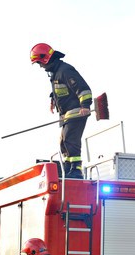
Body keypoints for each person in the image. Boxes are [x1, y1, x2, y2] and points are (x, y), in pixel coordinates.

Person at [30, 43, 92, 179]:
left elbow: (83, 88)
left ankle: (76, 170)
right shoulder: (56, 73)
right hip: (66, 114)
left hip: (77, 110)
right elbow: (62, 89)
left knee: (70, 139)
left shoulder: (65, 70)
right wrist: (53, 99)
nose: (40, 66)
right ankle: (68, 168)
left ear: (45, 58)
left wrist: (85, 105)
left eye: (40, 62)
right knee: (63, 142)